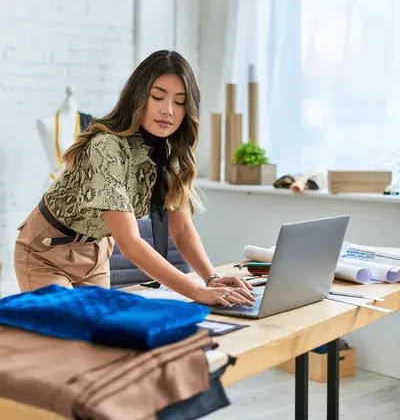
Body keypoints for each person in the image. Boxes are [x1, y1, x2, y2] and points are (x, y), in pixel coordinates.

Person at [14, 50, 255, 309]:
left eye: (179, 101)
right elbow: (129, 243)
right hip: (47, 251)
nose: (168, 110)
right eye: (158, 96)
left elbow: (181, 229)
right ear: (139, 97)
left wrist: (211, 278)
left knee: (102, 339)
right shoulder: (106, 147)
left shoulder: (171, 153)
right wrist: (196, 291)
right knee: (69, 332)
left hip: (96, 253)